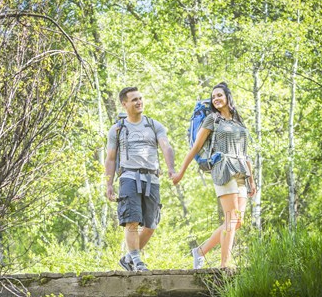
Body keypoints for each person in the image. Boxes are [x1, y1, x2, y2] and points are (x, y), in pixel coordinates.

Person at [172, 82, 256, 269]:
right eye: (213, 97)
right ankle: (224, 265)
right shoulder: (212, 119)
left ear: (227, 97)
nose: (216, 99)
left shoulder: (237, 119)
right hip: (223, 168)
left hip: (242, 170)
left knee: (238, 222)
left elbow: (245, 151)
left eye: (219, 95)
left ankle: (200, 251)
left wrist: (252, 179)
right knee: (231, 218)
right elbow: (195, 148)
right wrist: (180, 173)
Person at [105, 87, 176, 272]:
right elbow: (111, 158)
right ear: (124, 104)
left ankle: (128, 258)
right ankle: (137, 261)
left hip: (152, 178)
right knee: (132, 220)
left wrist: (171, 169)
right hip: (128, 177)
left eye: (140, 98)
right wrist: (109, 184)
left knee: (151, 224)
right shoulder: (117, 130)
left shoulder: (154, 125)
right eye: (134, 99)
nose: (139, 102)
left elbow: (166, 147)